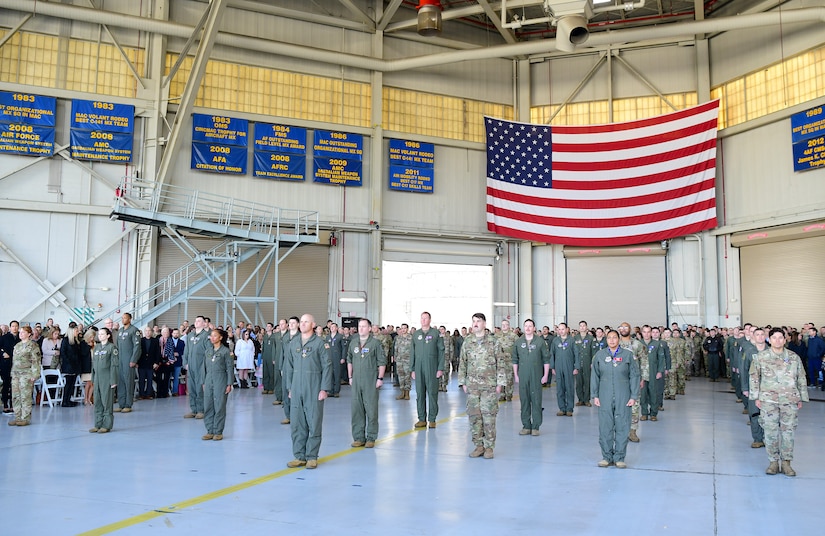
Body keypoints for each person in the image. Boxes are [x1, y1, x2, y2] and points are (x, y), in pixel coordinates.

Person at [749, 327, 809, 476]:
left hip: (789, 401)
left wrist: (801, 397)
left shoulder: (794, 357)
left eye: (780, 338)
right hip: (768, 401)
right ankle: (773, 462)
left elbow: (801, 377)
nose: (777, 340)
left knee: (788, 432)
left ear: (785, 339)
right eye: (774, 338)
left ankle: (787, 463)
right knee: (770, 432)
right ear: (769, 339)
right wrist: (756, 397)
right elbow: (754, 378)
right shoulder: (760, 357)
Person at [283, 314, 332, 469]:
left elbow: (327, 366)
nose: (303, 324)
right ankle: (299, 456)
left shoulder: (319, 344)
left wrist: (324, 388)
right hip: (297, 387)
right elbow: (288, 366)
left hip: (314, 387)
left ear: (313, 324)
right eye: (301, 322)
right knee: (297, 423)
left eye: (306, 322)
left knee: (314, 422)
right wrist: (290, 387)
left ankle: (312, 456)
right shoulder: (293, 343)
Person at [458, 313, 506, 459]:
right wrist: (462, 382)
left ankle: (489, 447)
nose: (475, 324)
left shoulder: (493, 342)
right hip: (472, 386)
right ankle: (478, 446)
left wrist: (500, 383)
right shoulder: (468, 341)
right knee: (474, 417)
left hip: (489, 386)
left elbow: (501, 362)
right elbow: (462, 362)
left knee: (489, 417)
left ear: (484, 324)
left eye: (478, 321)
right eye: (473, 321)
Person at [591, 329, 640, 468]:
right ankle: (606, 457)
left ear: (619, 339)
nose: (612, 340)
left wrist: (634, 395)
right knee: (605, 427)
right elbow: (594, 376)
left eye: (614, 337)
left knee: (622, 426)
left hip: (623, 395)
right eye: (609, 338)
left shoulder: (628, 355)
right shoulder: (600, 355)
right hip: (604, 394)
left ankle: (619, 457)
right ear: (606, 340)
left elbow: (634, 376)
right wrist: (594, 395)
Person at [347, 318, 387, 448]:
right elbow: (349, 360)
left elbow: (382, 362)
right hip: (356, 381)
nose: (361, 328)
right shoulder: (353, 343)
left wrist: (380, 379)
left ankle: (371, 437)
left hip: (370, 380)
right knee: (356, 409)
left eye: (364, 326)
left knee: (371, 410)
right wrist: (350, 376)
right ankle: (358, 437)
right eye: (359, 326)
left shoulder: (375, 343)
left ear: (370, 328)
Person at [512, 319, 550, 435]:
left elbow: (546, 360)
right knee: (524, 401)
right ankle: (526, 426)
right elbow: (515, 360)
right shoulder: (518, 342)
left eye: (530, 326)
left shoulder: (540, 342)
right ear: (523, 328)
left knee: (536, 400)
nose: (528, 328)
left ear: (534, 328)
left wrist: (545, 375)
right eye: (526, 326)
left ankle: (536, 427)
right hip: (523, 375)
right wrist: (516, 375)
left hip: (536, 375)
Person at [410, 311, 445, 429]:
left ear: (430, 320)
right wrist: (412, 369)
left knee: (432, 393)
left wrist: (440, 368)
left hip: (432, 367)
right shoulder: (416, 334)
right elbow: (412, 353)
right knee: (420, 394)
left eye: (425, 318)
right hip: (419, 368)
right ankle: (421, 419)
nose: (423, 320)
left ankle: (432, 419)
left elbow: (441, 351)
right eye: (422, 318)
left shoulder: (436, 334)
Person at [202, 328, 234, 441]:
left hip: (221, 379)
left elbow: (230, 368)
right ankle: (210, 430)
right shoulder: (208, 351)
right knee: (208, 405)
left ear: (220, 338)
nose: (212, 338)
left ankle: (218, 431)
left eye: (215, 336)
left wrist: (229, 383)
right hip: (209, 378)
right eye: (211, 336)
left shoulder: (225, 351)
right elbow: (204, 368)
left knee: (219, 406)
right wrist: (203, 381)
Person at [618, 322, 646, 443]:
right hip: (618, 381)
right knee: (619, 406)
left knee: (634, 405)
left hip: (634, 380)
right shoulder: (615, 343)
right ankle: (620, 431)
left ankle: (632, 431)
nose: (624, 329)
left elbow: (645, 361)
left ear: (630, 329)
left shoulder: (637, 344)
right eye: (622, 327)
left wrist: (643, 378)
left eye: (626, 327)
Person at [8, 326, 41, 426]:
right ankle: (17, 417)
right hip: (16, 374)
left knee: (25, 396)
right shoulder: (17, 345)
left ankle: (25, 418)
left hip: (26, 374)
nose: (20, 334)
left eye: (23, 332)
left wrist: (35, 374)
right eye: (20, 332)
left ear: (29, 334)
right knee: (16, 396)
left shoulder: (33, 345)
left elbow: (36, 361)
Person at [741, 327, 766, 449]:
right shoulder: (749, 351)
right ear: (754, 337)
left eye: (762, 334)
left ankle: (768, 438)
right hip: (753, 389)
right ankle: (757, 438)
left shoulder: (772, 351)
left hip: (769, 389)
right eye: (758, 335)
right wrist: (745, 388)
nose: (760, 337)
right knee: (755, 414)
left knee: (769, 415)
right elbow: (744, 370)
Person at [90, 328, 118, 433]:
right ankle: (97, 424)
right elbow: (93, 364)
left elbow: (114, 365)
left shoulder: (112, 348)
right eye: (99, 334)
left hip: (107, 378)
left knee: (106, 402)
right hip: (97, 378)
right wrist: (93, 378)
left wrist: (113, 380)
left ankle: (106, 425)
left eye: (102, 334)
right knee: (97, 401)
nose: (100, 336)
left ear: (108, 336)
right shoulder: (96, 347)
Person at [182, 316, 210, 419]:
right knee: (191, 387)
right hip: (190, 365)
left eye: (199, 321)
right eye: (196, 320)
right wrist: (185, 362)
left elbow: (208, 352)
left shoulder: (206, 336)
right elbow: (186, 350)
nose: (197, 322)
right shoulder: (190, 335)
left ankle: (201, 410)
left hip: (200, 365)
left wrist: (206, 365)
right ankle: (193, 409)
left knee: (199, 388)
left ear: (204, 324)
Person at [549, 322, 580, 417]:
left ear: (567, 329)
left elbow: (576, 354)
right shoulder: (555, 341)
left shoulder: (572, 340)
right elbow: (552, 354)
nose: (561, 331)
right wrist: (552, 367)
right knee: (560, 388)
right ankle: (562, 408)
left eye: (563, 329)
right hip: (558, 367)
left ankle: (569, 408)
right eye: (559, 329)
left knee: (569, 387)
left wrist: (576, 367)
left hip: (569, 366)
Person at [115, 313, 141, 413]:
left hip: (128, 360)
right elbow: (117, 345)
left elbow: (137, 347)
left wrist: (134, 360)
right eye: (122, 318)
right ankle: (121, 404)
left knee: (128, 382)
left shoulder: (134, 330)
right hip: (120, 360)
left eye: (125, 318)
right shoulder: (120, 331)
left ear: (130, 319)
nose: (123, 319)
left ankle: (128, 404)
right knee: (120, 382)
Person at [639, 325, 665, 421]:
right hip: (641, 374)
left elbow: (661, 358)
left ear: (651, 333)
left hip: (653, 372)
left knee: (654, 393)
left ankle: (653, 413)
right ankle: (644, 413)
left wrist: (659, 371)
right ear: (641, 333)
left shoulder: (657, 344)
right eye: (644, 332)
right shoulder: (638, 344)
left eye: (648, 332)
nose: (646, 334)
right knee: (643, 394)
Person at [279, 317, 300, 423]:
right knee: (286, 391)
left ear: (298, 324)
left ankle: (297, 415)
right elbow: (281, 353)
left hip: (297, 368)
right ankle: (288, 416)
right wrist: (281, 367)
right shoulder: (285, 337)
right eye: (290, 323)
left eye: (293, 323)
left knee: (296, 391)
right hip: (286, 367)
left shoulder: (301, 337)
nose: (291, 325)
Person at [0, 320, 21, 413]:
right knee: (6, 384)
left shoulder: (21, 337)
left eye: (16, 326)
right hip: (6, 364)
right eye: (13, 326)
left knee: (15, 386)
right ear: (10, 327)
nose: (15, 328)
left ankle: (13, 405)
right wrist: (3, 353)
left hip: (17, 365)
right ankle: (5, 404)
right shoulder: (4, 337)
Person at [60, 322, 82, 408]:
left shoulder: (76, 341)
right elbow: (63, 352)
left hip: (75, 365)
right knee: (68, 383)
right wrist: (68, 361)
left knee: (72, 383)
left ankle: (68, 399)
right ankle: (65, 401)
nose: (77, 332)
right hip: (68, 365)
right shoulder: (66, 340)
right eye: (76, 331)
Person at [495, 320, 518, 401]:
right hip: (500, 361)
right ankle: (502, 394)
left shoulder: (513, 336)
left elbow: (517, 348)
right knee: (500, 378)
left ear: (509, 326)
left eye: (506, 324)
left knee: (509, 378)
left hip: (510, 360)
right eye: (503, 324)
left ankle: (509, 394)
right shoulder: (497, 336)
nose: (504, 326)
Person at [574, 321, 595, 407]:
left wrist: (592, 362)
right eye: (581, 326)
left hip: (587, 361)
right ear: (579, 328)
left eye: (584, 326)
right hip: (578, 362)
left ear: (586, 327)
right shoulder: (575, 338)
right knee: (579, 382)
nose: (582, 327)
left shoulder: (590, 338)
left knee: (587, 381)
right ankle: (580, 399)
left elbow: (593, 351)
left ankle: (587, 400)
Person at [138, 327, 161, 400]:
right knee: (141, 380)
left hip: (151, 363)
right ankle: (141, 394)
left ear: (151, 332)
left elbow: (158, 352)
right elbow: (137, 352)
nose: (148, 332)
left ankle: (148, 394)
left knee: (150, 379)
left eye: (149, 331)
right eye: (146, 331)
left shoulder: (155, 341)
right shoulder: (141, 340)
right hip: (141, 363)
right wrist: (136, 362)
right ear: (144, 332)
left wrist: (156, 363)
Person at [393, 324, 413, 401]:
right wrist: (395, 356)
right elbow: (396, 348)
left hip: (408, 360)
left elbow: (413, 349)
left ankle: (407, 393)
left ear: (407, 329)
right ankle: (402, 393)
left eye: (405, 328)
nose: (403, 330)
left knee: (407, 377)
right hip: (399, 360)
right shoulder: (398, 338)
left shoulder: (411, 338)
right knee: (400, 376)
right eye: (402, 328)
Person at [326, 323, 344, 398]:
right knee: (330, 374)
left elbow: (343, 348)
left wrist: (343, 358)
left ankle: (336, 391)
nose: (332, 328)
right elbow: (325, 347)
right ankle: (330, 391)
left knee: (337, 374)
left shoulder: (340, 337)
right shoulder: (327, 337)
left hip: (337, 357)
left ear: (336, 328)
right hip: (329, 357)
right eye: (331, 327)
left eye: (334, 327)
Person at [261, 322, 278, 395]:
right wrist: (262, 356)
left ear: (272, 328)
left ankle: (271, 388)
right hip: (265, 356)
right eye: (267, 326)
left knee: (271, 373)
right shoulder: (264, 336)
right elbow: (263, 347)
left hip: (271, 357)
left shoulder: (274, 337)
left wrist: (274, 358)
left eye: (269, 326)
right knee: (265, 372)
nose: (267, 328)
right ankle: (266, 388)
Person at [81, 329, 96, 405]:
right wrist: (89, 346)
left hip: (94, 364)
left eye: (93, 337)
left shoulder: (94, 343)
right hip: (87, 365)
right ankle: (85, 399)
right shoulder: (83, 343)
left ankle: (89, 398)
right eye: (91, 337)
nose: (92, 338)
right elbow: (83, 353)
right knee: (88, 382)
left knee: (93, 383)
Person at [169, 328, 185, 396]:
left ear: (179, 334)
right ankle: (168, 391)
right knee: (168, 377)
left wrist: (178, 354)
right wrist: (172, 355)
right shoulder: (169, 341)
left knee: (176, 378)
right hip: (169, 362)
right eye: (174, 333)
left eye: (177, 333)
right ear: (172, 334)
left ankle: (175, 392)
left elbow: (183, 351)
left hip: (178, 362)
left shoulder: (182, 342)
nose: (176, 334)